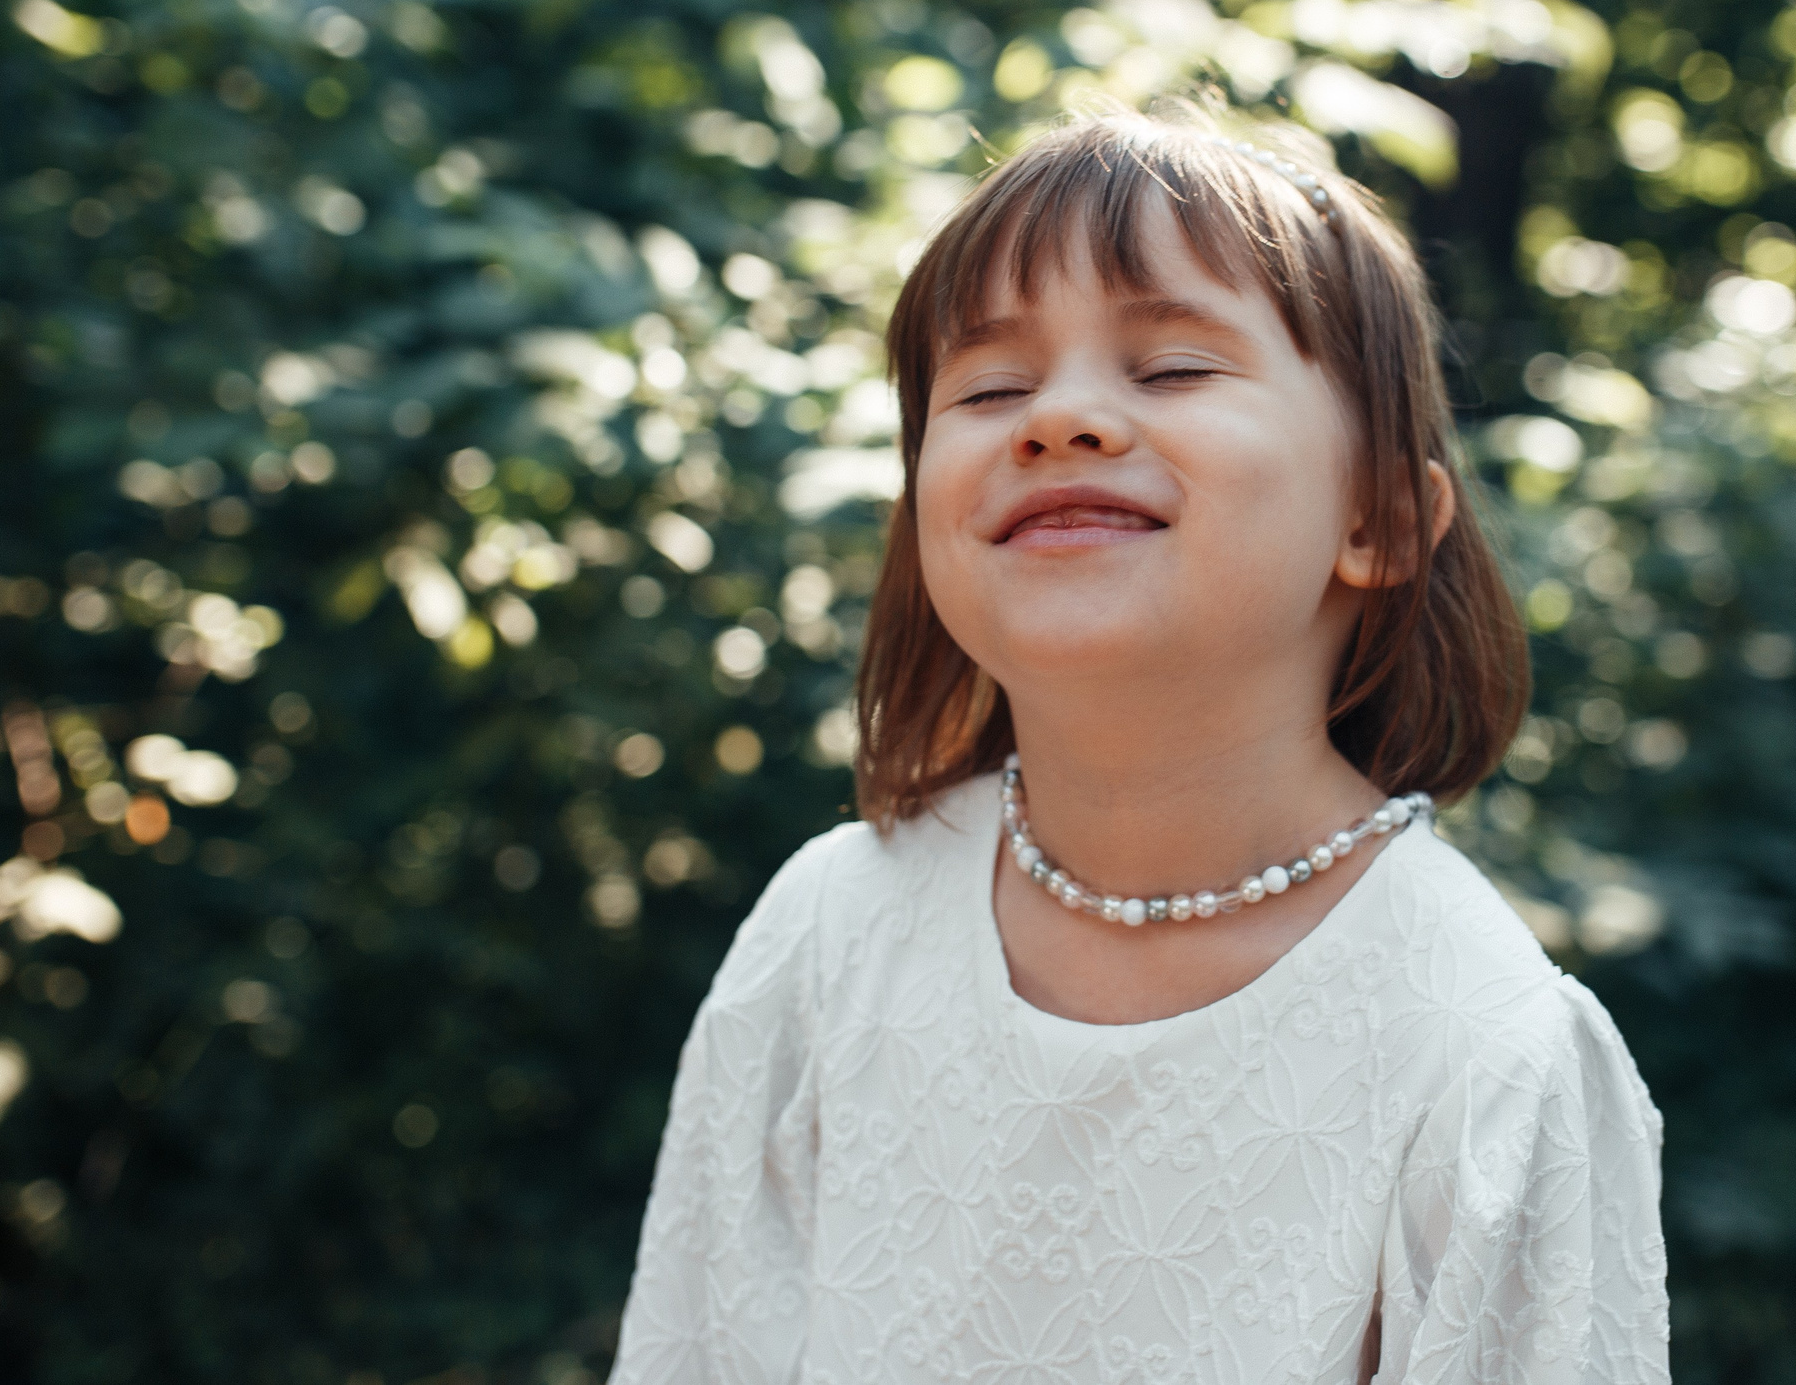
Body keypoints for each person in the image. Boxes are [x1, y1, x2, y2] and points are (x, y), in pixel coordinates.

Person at [611, 106, 1669, 1383]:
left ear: (1381, 514)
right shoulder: (829, 936)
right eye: (989, 386)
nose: (1057, 418)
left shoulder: (1481, 1049)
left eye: (1170, 367)